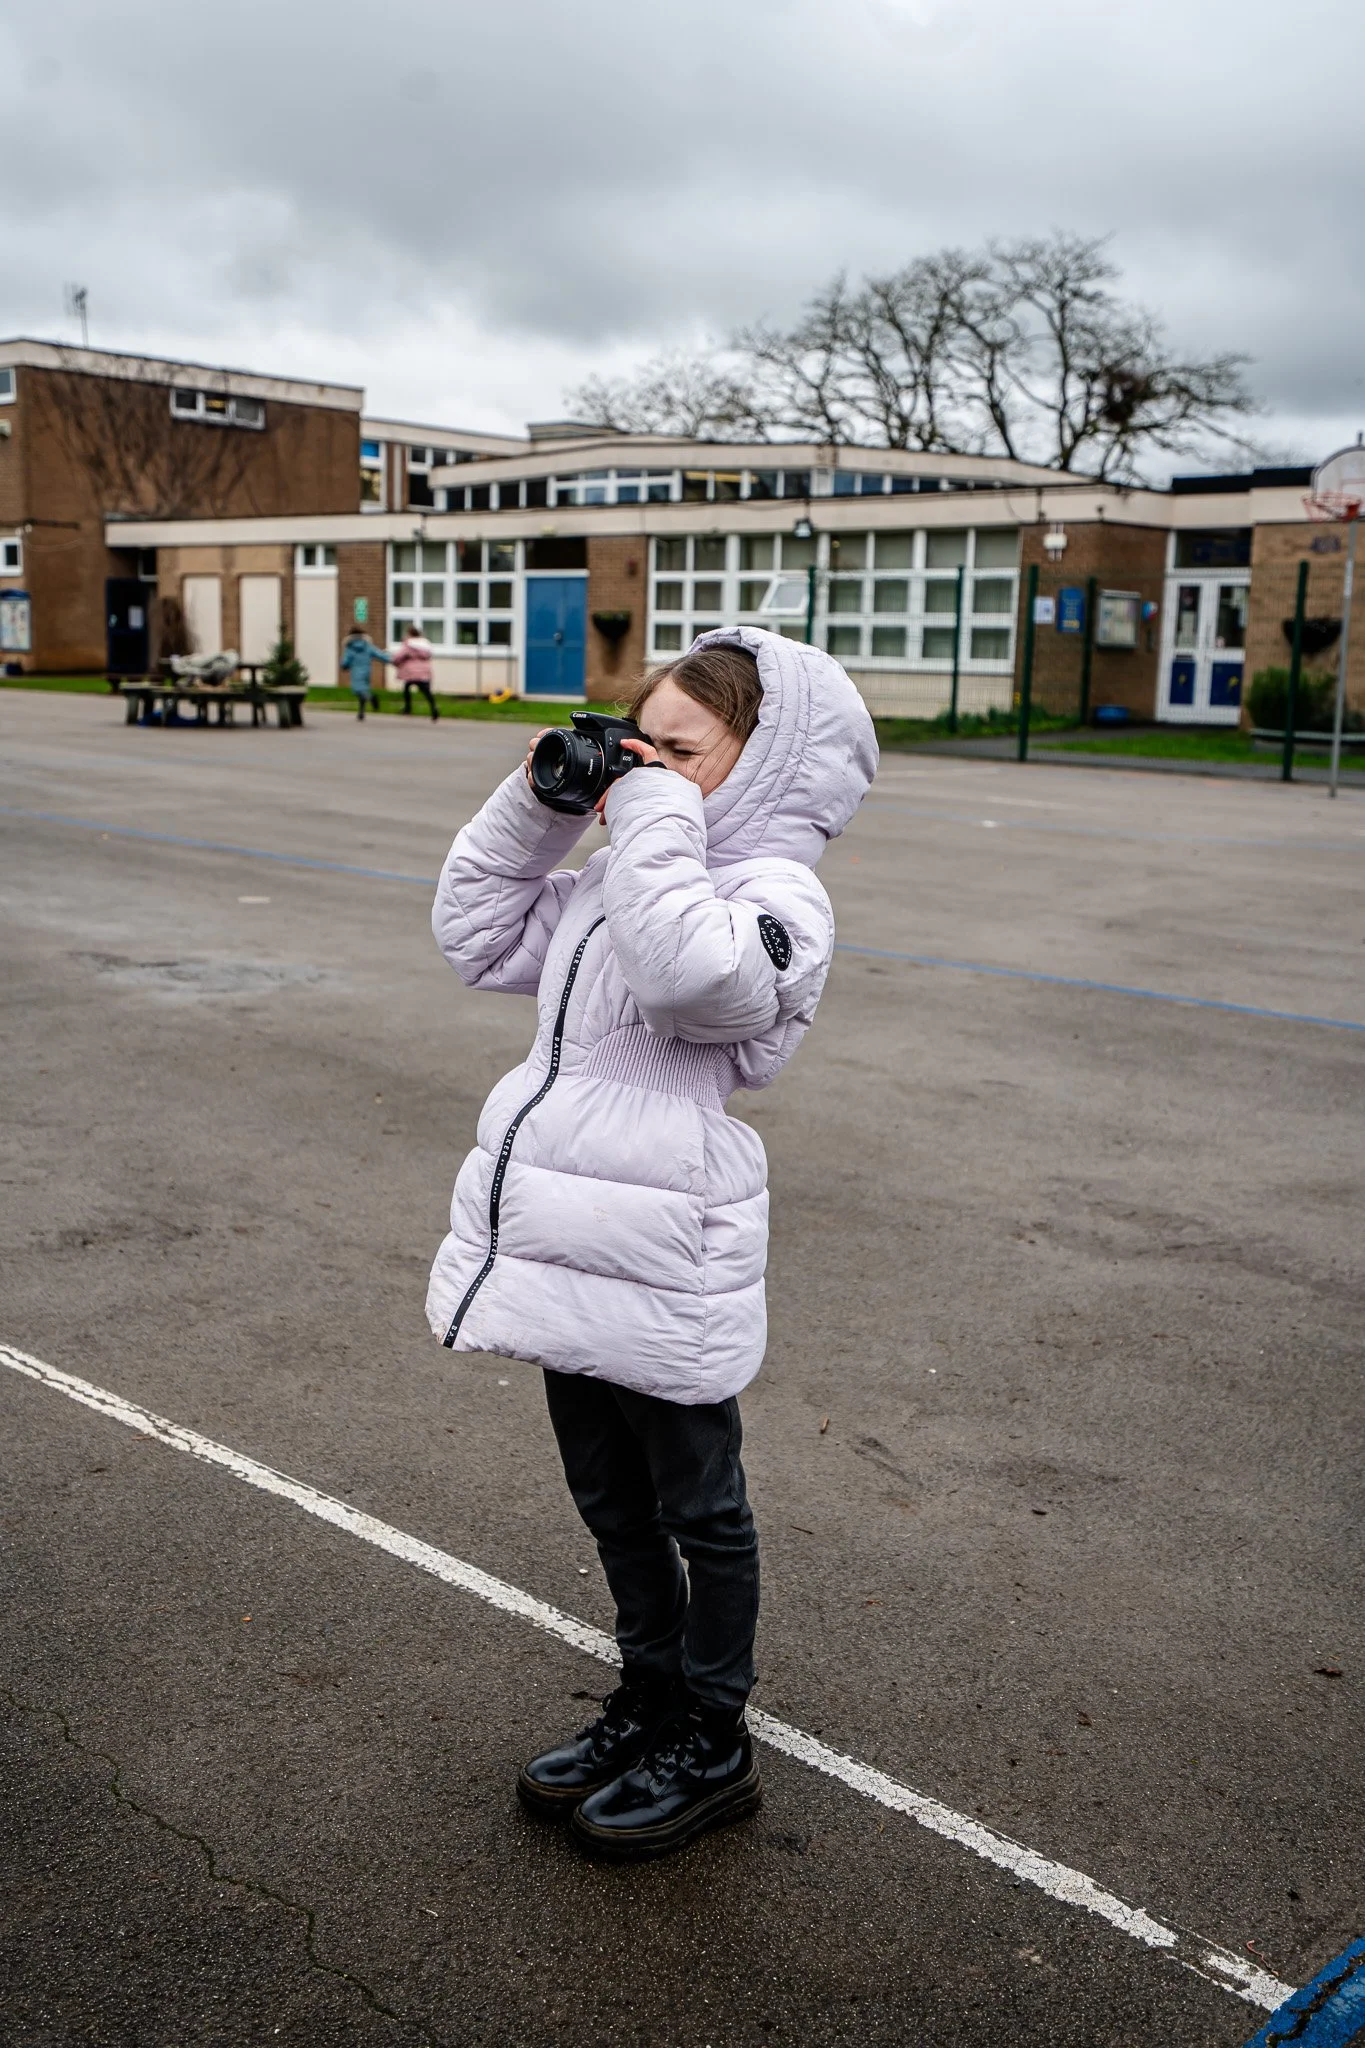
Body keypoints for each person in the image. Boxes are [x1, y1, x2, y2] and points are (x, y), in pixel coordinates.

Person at [426, 628, 876, 1860]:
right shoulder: (620, 872)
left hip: (671, 1236)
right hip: (565, 1231)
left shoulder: (779, 896)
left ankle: (712, 1733)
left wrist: (653, 816)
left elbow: (693, 984)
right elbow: (473, 935)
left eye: (680, 750)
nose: (645, 770)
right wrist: (535, 803)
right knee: (608, 1492)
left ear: (765, 761)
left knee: (700, 1502)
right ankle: (647, 1693)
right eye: (640, 744)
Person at [339, 627, 390, 718]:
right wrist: (389, 659)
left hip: (356, 671)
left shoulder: (350, 647)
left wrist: (344, 666)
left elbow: (346, 660)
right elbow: (378, 654)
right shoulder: (367, 645)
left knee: (359, 690)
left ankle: (371, 698)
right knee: (364, 690)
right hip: (366, 670)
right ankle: (361, 712)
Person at [392, 624, 439, 721]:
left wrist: (395, 662)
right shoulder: (425, 644)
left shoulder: (409, 644)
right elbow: (429, 655)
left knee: (407, 688)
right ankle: (434, 707)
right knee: (426, 691)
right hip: (424, 670)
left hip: (412, 672)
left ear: (409, 634)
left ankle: (407, 708)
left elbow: (399, 656)